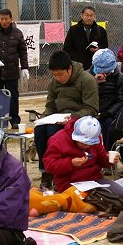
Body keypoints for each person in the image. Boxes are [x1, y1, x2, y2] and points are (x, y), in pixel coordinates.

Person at [34, 50, 98, 188]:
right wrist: (44, 118)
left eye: (60, 74)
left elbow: (91, 108)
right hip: (58, 118)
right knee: (39, 130)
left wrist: (73, 118)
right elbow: (50, 105)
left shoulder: (86, 80)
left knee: (53, 132)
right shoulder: (54, 82)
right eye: (54, 75)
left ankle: (59, 172)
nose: (57, 78)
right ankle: (46, 171)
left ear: (69, 69)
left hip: (80, 121)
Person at [43, 116, 123, 198]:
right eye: (84, 142)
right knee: (86, 200)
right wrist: (70, 163)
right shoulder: (58, 140)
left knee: (121, 193)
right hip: (69, 182)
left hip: (94, 179)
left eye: (90, 143)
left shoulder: (95, 137)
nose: (87, 146)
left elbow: (102, 160)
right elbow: (49, 166)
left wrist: (108, 159)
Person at [0, 8, 29, 128]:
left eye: (6, 19)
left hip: (12, 71)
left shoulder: (17, 33)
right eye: (2, 19)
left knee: (13, 96)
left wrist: (25, 67)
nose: (4, 21)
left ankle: (14, 121)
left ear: (11, 19)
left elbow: (23, 52)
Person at [92, 48, 123, 149]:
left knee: (109, 124)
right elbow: (85, 95)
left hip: (110, 112)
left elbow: (122, 100)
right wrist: (94, 83)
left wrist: (108, 112)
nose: (104, 75)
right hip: (92, 110)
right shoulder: (88, 76)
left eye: (107, 72)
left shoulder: (120, 78)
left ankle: (108, 151)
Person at [63, 6, 109, 70]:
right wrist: (76, 60)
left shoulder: (101, 30)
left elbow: (105, 46)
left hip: (96, 66)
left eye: (91, 15)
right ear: (82, 16)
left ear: (94, 16)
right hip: (77, 66)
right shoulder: (73, 30)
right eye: (87, 15)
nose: (89, 18)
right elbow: (67, 48)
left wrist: (98, 49)